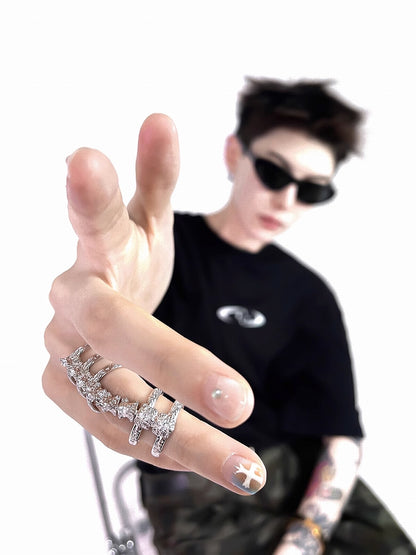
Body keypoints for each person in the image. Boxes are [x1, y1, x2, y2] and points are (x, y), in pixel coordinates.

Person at [43, 79, 415, 554]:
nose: (286, 200)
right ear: (235, 154)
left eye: (311, 190)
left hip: (307, 487)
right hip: (196, 495)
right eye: (274, 173)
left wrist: (305, 538)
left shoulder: (309, 294)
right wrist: (86, 331)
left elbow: (340, 433)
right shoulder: (158, 249)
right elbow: (95, 315)